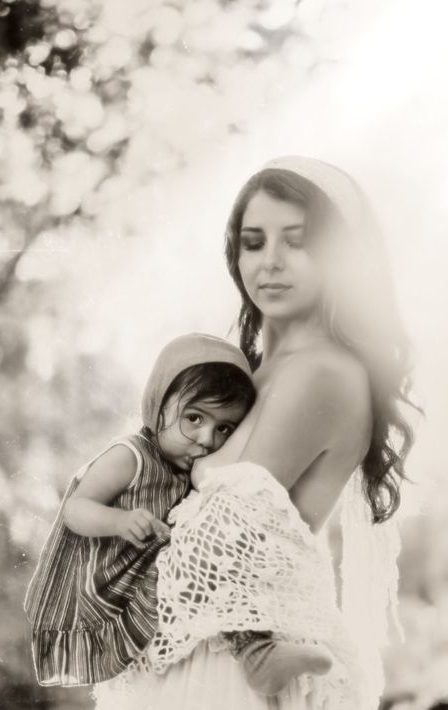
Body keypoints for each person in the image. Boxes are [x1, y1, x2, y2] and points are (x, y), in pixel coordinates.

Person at [93, 156, 416, 710]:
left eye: (298, 241)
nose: (271, 262)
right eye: (254, 241)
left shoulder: (322, 372)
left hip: (232, 671)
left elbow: (224, 539)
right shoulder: (250, 375)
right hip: (195, 652)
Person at [24, 333, 256, 686]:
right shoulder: (130, 456)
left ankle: (254, 647)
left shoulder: (189, 467)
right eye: (194, 418)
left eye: (224, 428)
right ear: (157, 405)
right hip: (100, 581)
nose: (208, 439)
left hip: (149, 579)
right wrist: (119, 520)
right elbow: (75, 508)